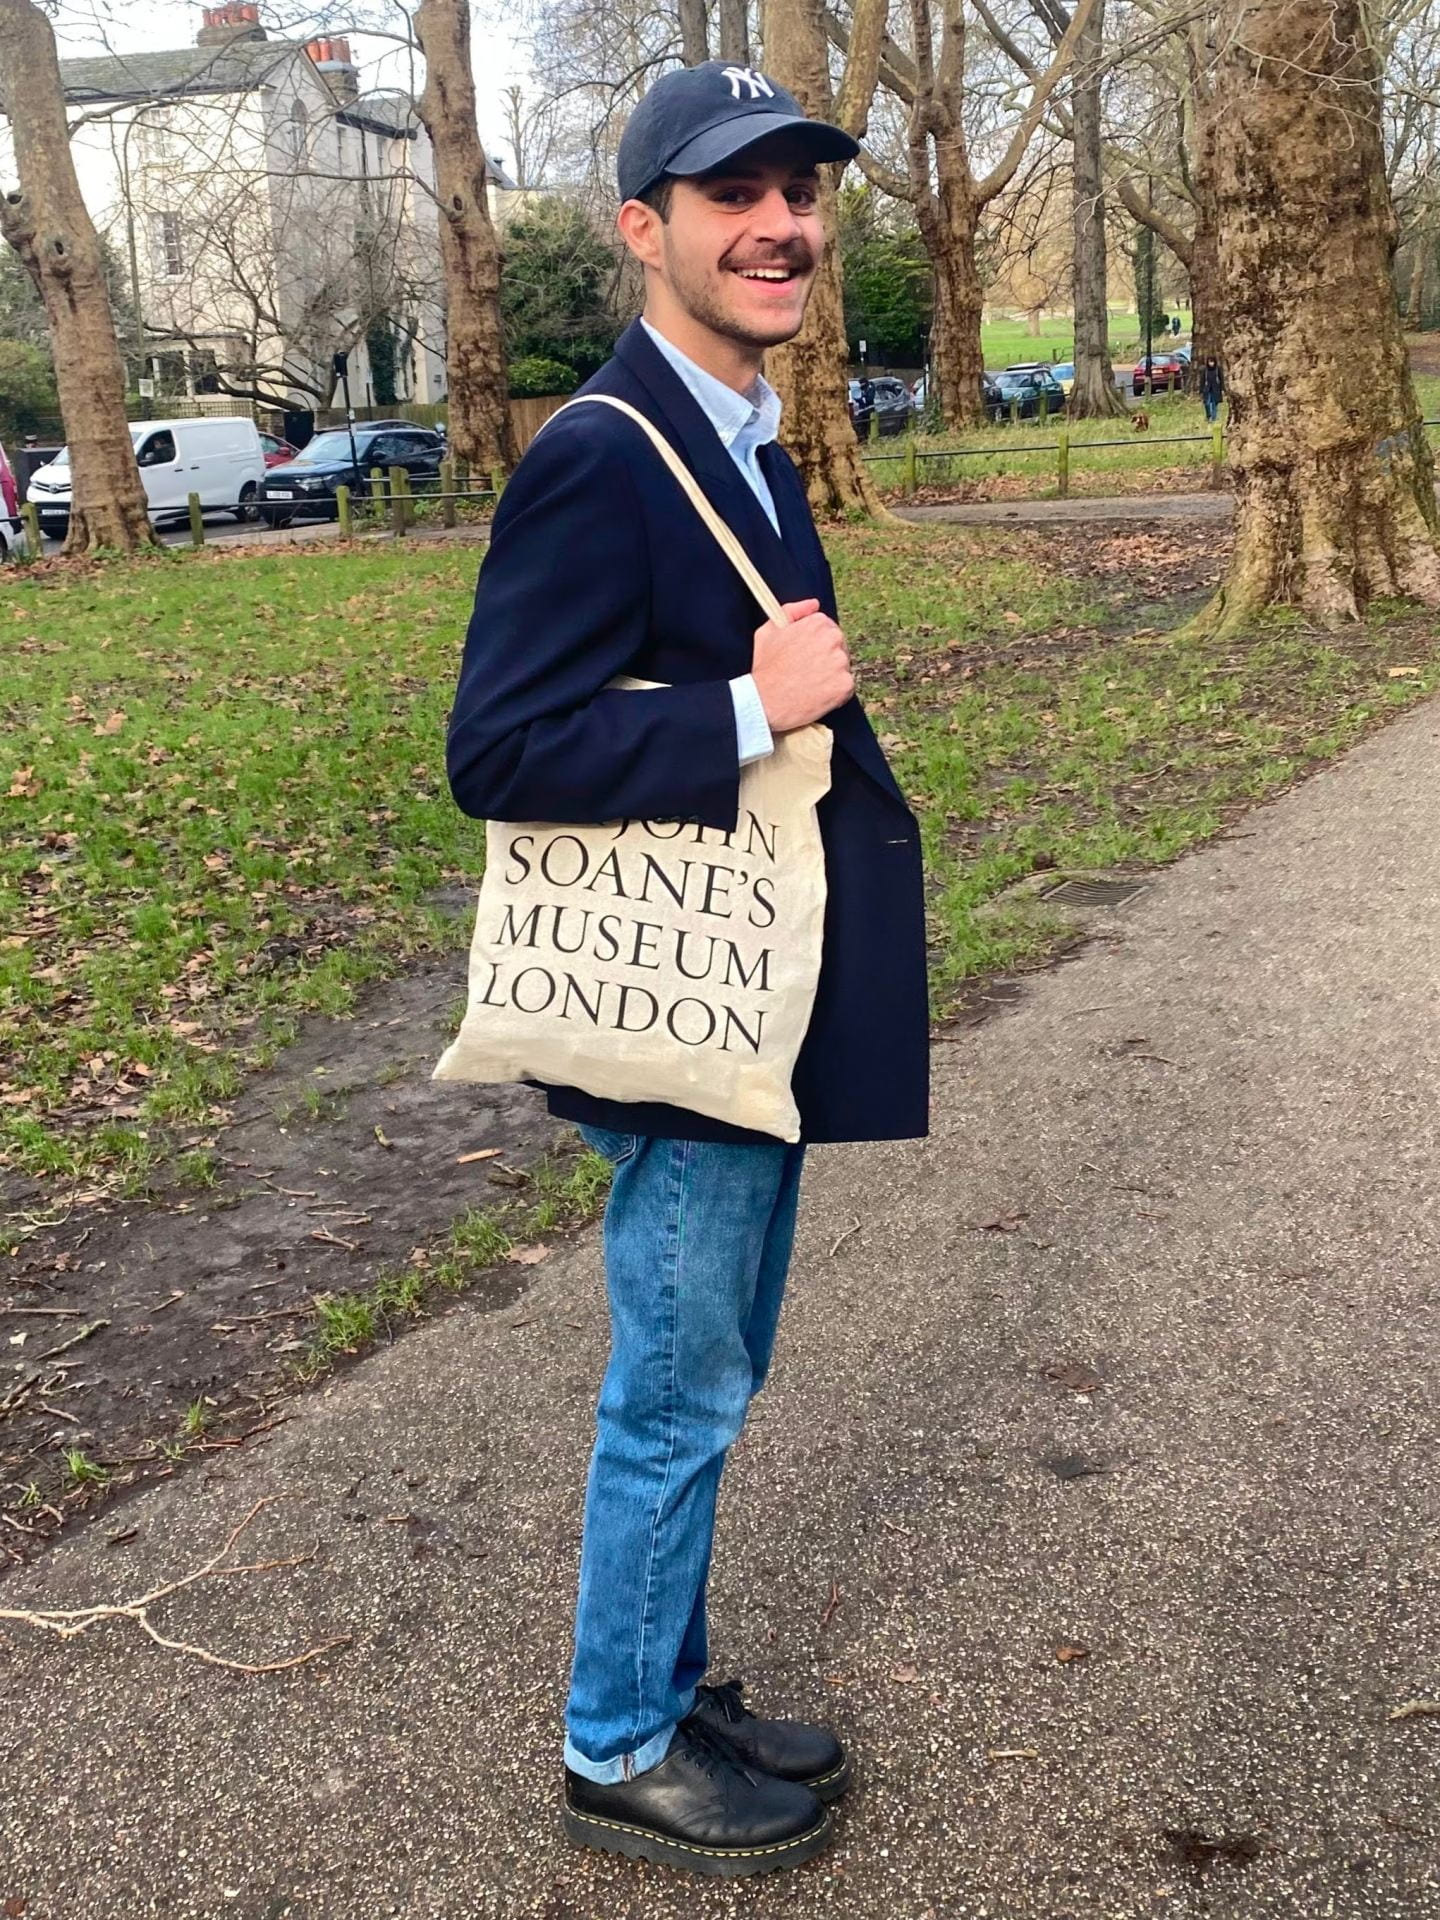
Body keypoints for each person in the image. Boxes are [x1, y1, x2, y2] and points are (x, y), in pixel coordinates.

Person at [445, 61, 929, 1879]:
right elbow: (498, 750)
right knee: (676, 1385)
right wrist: (750, 705)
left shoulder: (740, 419)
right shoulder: (598, 451)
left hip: (750, 995)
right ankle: (616, 1741)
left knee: (713, 1369)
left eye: (800, 187)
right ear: (646, 229)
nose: (782, 221)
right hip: (679, 1014)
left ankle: (673, 1673)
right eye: (734, 194)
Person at [1201, 354, 1224, 422]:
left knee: (1214, 403)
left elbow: (1221, 379)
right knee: (1207, 403)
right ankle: (1208, 415)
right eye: (1210, 362)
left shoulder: (1218, 369)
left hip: (1216, 388)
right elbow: (1202, 380)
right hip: (1207, 389)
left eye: (1212, 361)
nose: (1211, 363)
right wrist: (1201, 389)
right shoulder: (1205, 370)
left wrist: (1222, 389)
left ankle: (1213, 418)